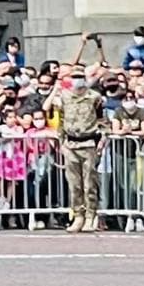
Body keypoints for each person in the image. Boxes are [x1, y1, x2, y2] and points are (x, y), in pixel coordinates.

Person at [45, 64, 104, 232]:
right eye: (74, 77)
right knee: (74, 184)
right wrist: (61, 140)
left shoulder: (94, 97)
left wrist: (102, 140)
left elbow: (102, 120)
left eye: (80, 77)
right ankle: (78, 215)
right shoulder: (64, 96)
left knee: (89, 183)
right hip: (70, 143)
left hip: (89, 143)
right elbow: (60, 120)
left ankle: (90, 215)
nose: (77, 80)